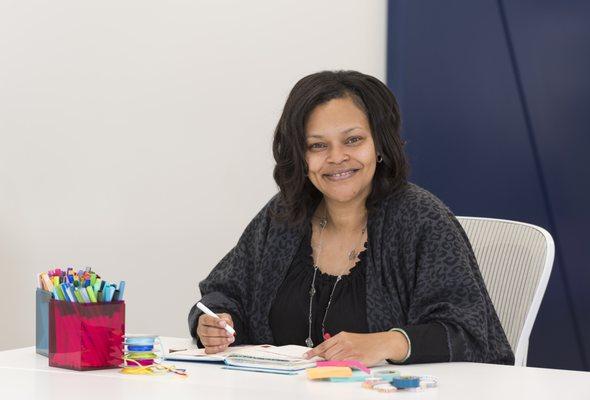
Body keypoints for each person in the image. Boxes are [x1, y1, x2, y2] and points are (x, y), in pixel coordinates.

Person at [188, 70, 514, 366]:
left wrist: (386, 343)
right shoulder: (284, 215)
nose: (336, 158)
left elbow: (473, 336)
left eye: (353, 140)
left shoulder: (422, 220)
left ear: (380, 144)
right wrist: (216, 320)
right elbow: (223, 291)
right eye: (317, 145)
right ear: (301, 157)